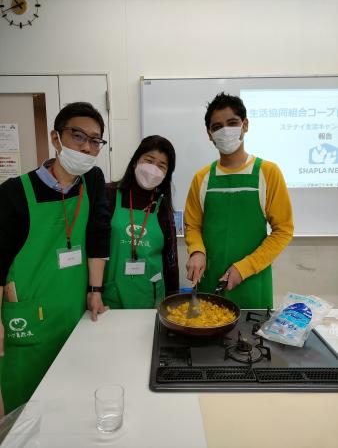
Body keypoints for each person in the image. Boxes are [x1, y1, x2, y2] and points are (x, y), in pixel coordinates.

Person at [0, 102, 111, 414]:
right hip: (28, 319)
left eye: (95, 140)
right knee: (26, 411)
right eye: (78, 136)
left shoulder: (92, 180)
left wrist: (95, 290)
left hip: (74, 313)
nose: (87, 148)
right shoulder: (14, 192)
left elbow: (97, 235)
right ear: (56, 137)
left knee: (73, 404)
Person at [185, 93, 294, 309]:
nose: (225, 131)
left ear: (245, 125)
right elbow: (192, 225)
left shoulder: (268, 172)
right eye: (217, 127)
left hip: (253, 284)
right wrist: (196, 251)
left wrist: (245, 268)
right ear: (210, 134)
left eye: (232, 123)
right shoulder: (202, 178)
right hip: (210, 282)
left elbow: (283, 230)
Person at [103, 135, 179, 309]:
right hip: (111, 296)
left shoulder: (163, 206)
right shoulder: (109, 194)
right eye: (149, 160)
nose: (154, 169)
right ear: (136, 161)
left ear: (166, 174)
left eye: (162, 166)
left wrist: (173, 298)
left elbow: (170, 258)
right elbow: (94, 245)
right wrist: (93, 289)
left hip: (151, 297)